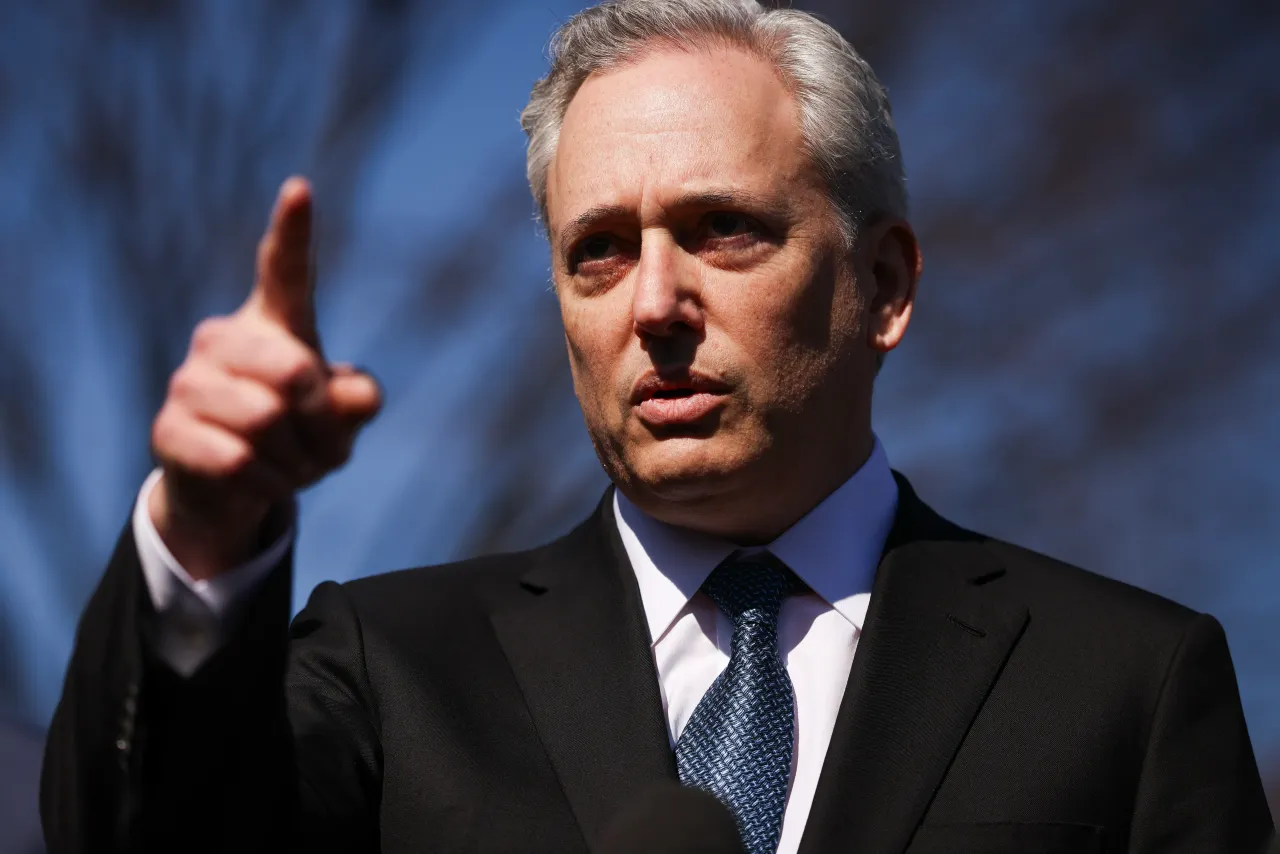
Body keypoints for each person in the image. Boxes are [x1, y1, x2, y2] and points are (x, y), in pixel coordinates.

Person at [41, 1, 1274, 852]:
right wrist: (204, 531)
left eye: (722, 229)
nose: (653, 303)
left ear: (883, 283)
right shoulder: (390, 670)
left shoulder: (1124, 681)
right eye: (598, 250)